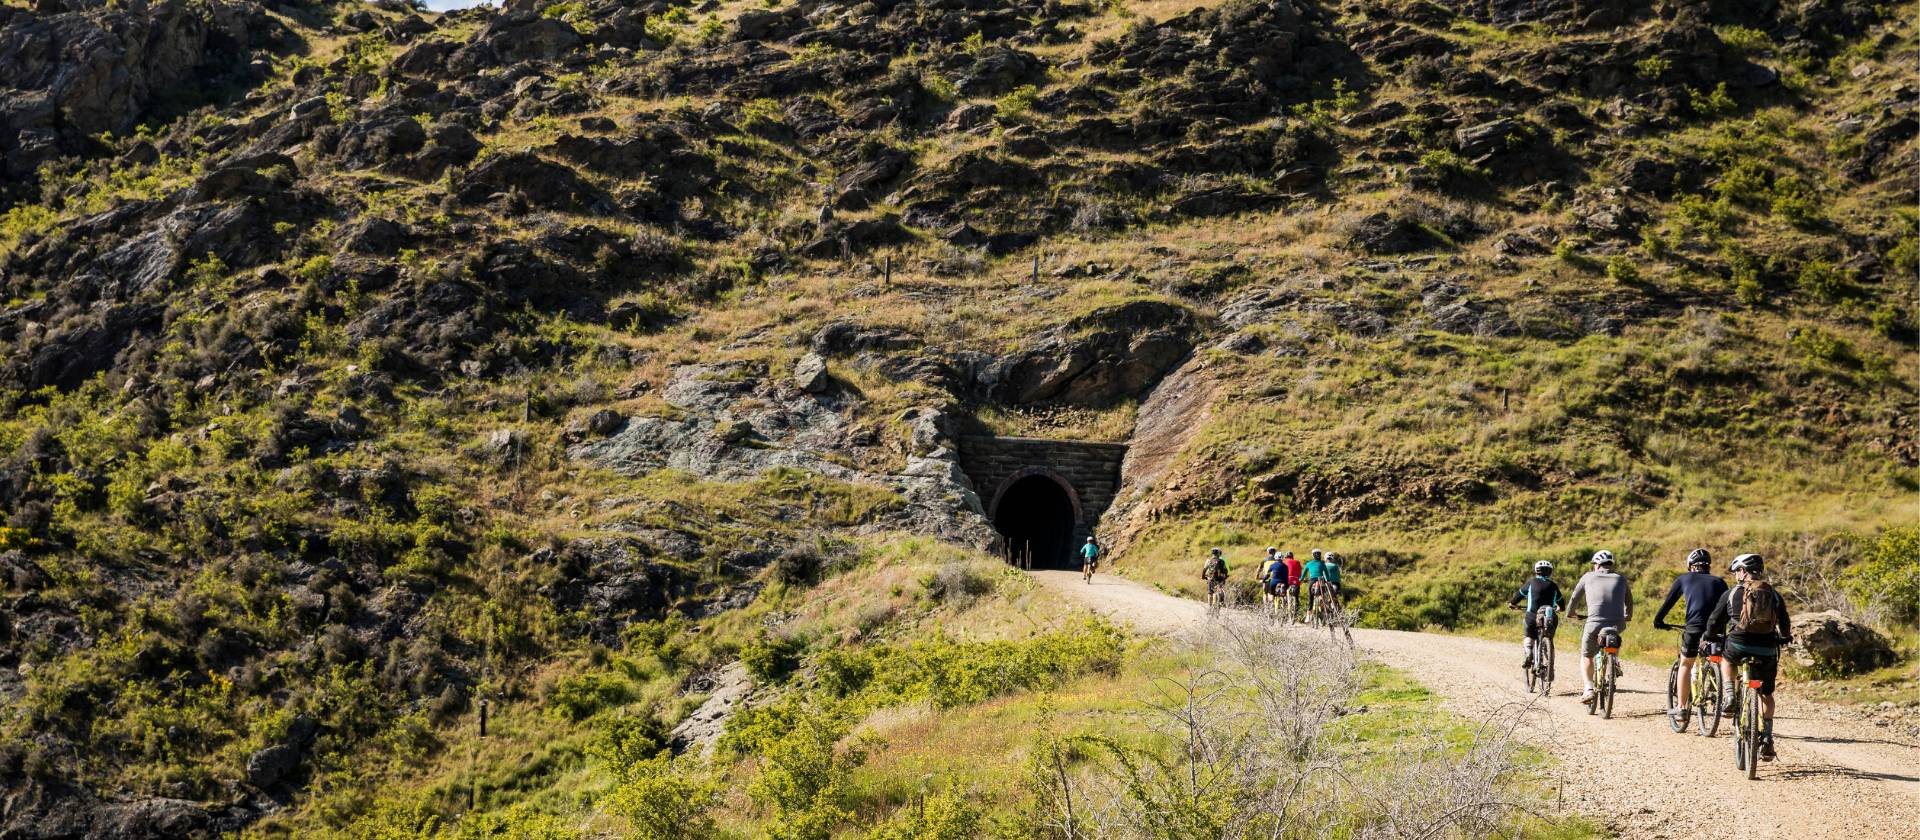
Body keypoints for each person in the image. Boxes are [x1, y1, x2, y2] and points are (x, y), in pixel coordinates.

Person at [1707, 554, 1792, 761]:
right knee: (1767, 694)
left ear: (1743, 571)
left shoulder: (1732, 592)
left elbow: (1715, 619)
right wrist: (1784, 637)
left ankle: (1729, 694)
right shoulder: (1773, 594)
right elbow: (1784, 621)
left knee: (1727, 660)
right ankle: (1768, 738)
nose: (1736, 575)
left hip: (1739, 644)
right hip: (1767, 648)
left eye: (1737, 571)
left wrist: (1709, 636)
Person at [1651, 548, 1729, 725]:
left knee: (1686, 664)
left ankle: (1682, 708)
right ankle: (1725, 697)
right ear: (1708, 566)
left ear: (1691, 566)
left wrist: (1658, 620)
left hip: (1693, 628)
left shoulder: (1683, 579)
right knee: (1718, 659)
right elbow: (1727, 607)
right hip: (1716, 630)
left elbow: (1668, 603)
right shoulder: (1719, 582)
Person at [1567, 550, 1633, 704]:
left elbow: (1575, 597)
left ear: (1597, 564)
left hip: (1594, 623)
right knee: (1614, 635)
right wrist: (1627, 616)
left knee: (1587, 655)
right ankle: (1614, 660)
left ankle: (1588, 689)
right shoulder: (1621, 579)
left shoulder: (1588, 576)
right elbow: (1629, 602)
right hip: (1617, 623)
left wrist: (1571, 613)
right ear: (1611, 564)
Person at [1507, 560, 1566, 669]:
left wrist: (1512, 604)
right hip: (1550, 617)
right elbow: (1561, 604)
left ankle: (1529, 650)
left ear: (1536, 571)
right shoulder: (1553, 586)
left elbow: (1518, 596)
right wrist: (1559, 608)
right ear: (1550, 572)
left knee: (1528, 634)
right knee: (1549, 635)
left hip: (1532, 615)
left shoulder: (1531, 583)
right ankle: (1548, 652)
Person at [1281, 551, 1304, 618]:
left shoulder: (1284, 561)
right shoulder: (1297, 562)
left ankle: (1284, 607)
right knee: (1296, 597)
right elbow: (1300, 572)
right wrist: (1301, 580)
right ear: (1292, 557)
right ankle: (1296, 613)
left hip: (1286, 580)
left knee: (1284, 594)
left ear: (1286, 557)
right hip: (1296, 581)